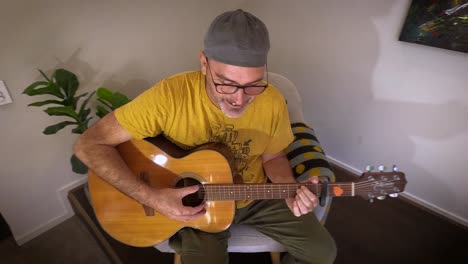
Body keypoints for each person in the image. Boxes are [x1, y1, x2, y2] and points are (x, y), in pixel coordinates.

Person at [74, 9, 336, 264]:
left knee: (322, 252)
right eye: (226, 83)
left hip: (257, 196)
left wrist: (288, 189)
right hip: (195, 205)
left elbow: (274, 156)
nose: (239, 98)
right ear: (203, 63)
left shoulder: (273, 100)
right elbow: (88, 144)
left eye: (252, 85)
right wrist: (151, 197)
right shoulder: (168, 97)